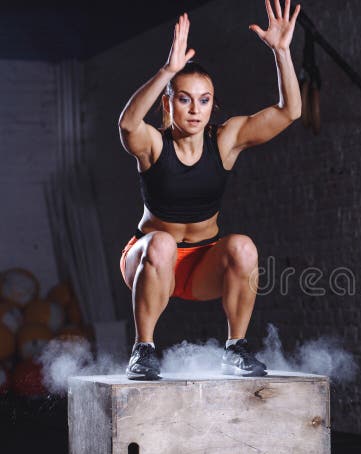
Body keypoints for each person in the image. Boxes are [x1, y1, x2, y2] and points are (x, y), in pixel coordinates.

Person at [117, 0, 301, 380]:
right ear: (169, 104)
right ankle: (144, 349)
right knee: (163, 242)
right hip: (149, 262)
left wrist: (282, 53)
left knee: (243, 246)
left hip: (202, 266)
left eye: (204, 101)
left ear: (213, 105)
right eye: (184, 99)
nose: (195, 110)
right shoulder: (154, 144)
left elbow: (289, 112)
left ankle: (235, 347)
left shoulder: (226, 140)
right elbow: (127, 124)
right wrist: (168, 70)